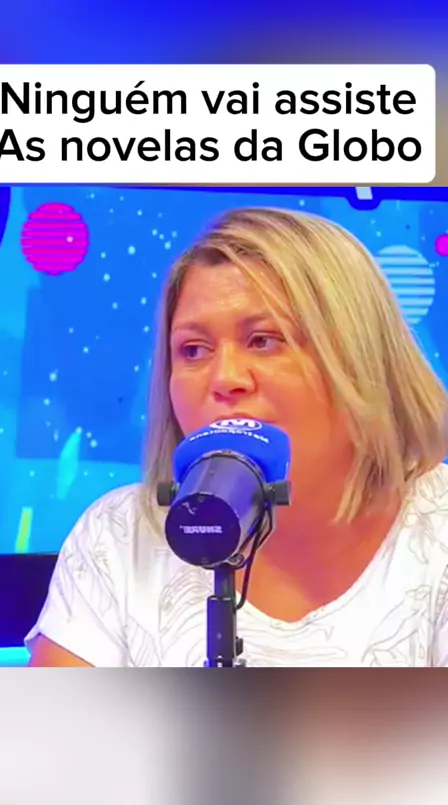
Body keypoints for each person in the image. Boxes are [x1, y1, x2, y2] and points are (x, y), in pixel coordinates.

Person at [27, 206, 448, 667]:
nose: (225, 378)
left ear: (360, 360)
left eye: (263, 340)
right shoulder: (118, 535)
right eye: (193, 350)